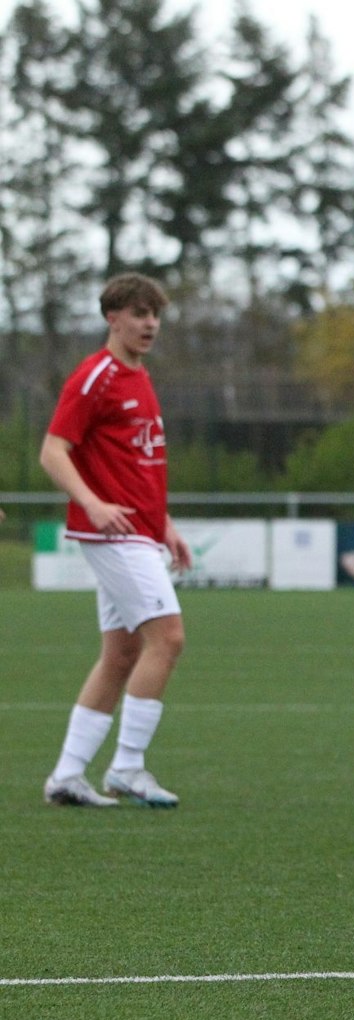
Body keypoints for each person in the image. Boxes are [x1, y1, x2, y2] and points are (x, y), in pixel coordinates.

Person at [40, 273, 190, 809]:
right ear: (113, 318)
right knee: (167, 639)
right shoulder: (95, 376)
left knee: (122, 653)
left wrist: (164, 523)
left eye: (155, 315)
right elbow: (53, 451)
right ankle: (127, 767)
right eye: (139, 314)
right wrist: (94, 503)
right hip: (112, 533)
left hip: (141, 532)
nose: (150, 324)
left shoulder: (139, 376)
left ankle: (66, 776)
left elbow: (138, 462)